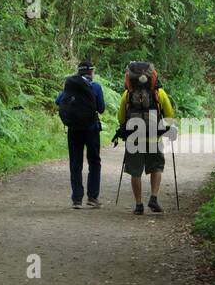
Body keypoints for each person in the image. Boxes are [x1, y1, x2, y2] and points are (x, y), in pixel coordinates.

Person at [111, 60, 175, 214]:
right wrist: (167, 129)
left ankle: (139, 205)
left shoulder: (128, 94)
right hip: (154, 137)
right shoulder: (159, 93)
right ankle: (153, 197)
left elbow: (121, 117)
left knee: (135, 171)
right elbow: (170, 115)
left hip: (134, 139)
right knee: (156, 167)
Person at [55, 60, 106, 209]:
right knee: (94, 162)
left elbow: (58, 101)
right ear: (91, 72)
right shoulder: (95, 87)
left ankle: (77, 199)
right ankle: (92, 197)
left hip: (74, 129)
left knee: (75, 163)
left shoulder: (70, 86)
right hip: (91, 129)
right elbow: (101, 108)